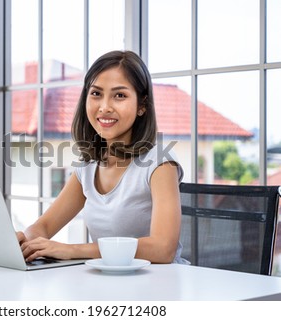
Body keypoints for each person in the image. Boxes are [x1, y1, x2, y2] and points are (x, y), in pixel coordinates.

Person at [17, 50, 184, 264]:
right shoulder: (88, 166)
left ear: (142, 105)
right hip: (107, 283)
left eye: (119, 95)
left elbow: (162, 249)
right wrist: (23, 241)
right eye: (96, 93)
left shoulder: (160, 162)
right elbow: (45, 227)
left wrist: (72, 250)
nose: (104, 107)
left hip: (157, 285)